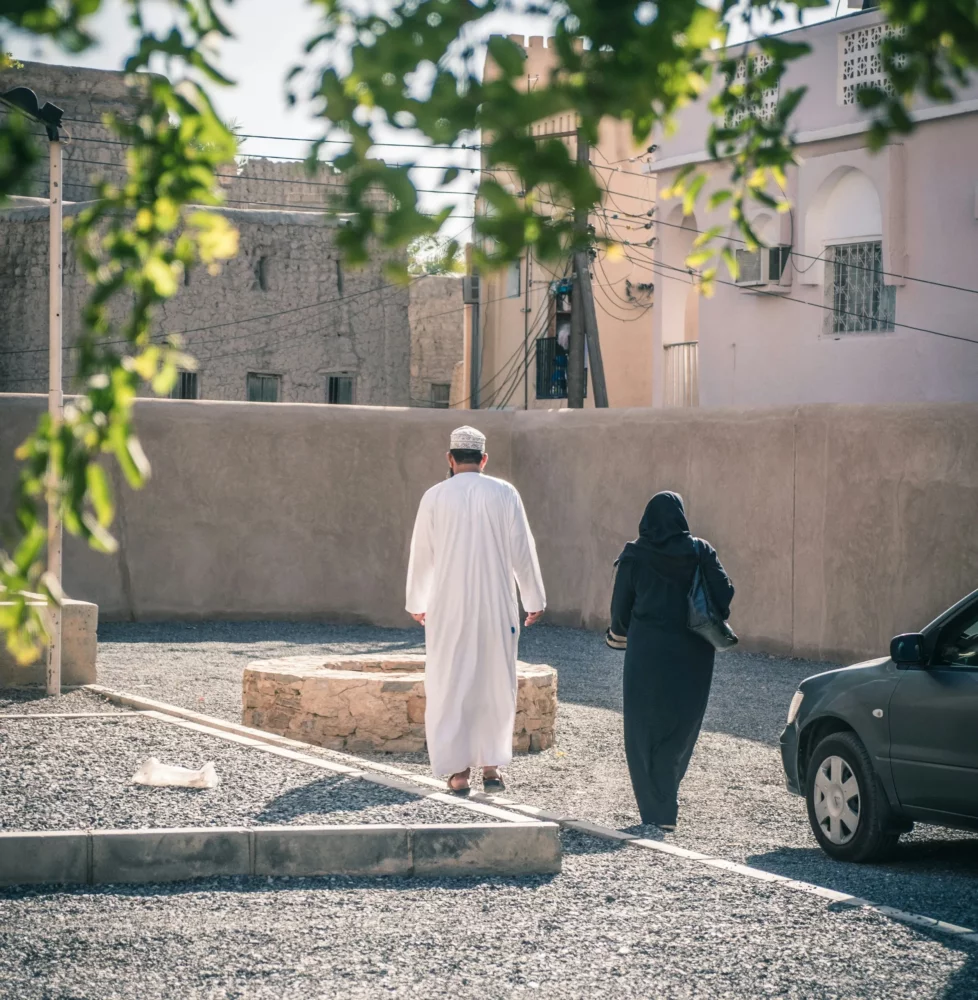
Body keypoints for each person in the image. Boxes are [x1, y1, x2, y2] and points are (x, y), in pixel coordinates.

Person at [405, 425, 546, 795]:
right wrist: (533, 600)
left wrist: (417, 602)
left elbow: (423, 555)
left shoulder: (434, 496)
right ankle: (492, 769)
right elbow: (523, 551)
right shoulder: (505, 493)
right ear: (484, 459)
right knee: (494, 682)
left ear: (450, 460)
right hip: (496, 605)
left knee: (450, 683)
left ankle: (457, 773)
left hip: (447, 607)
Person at [607, 491, 734, 831]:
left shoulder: (634, 554)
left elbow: (619, 614)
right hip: (693, 654)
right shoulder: (700, 551)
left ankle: (655, 810)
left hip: (647, 654)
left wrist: (626, 630)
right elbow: (724, 595)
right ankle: (668, 796)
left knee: (643, 728)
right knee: (682, 725)